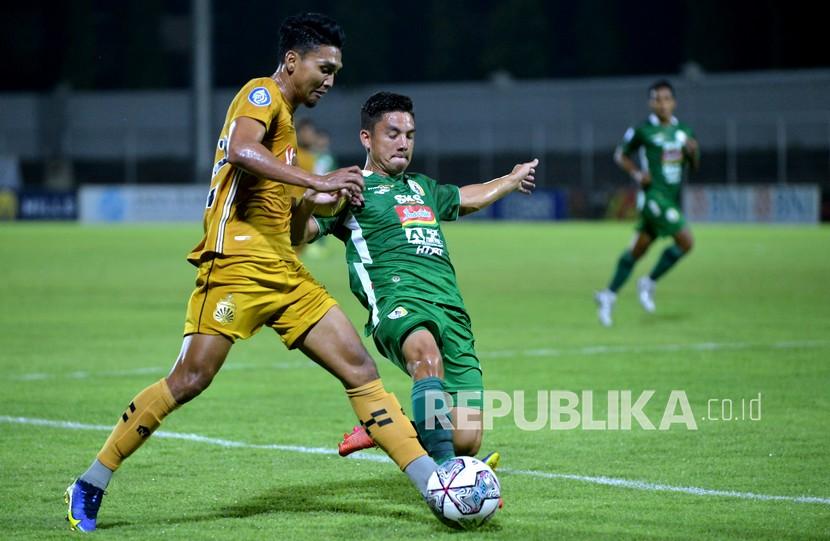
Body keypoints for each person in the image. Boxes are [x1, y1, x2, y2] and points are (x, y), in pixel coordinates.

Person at [64, 14, 440, 533]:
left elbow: (289, 232)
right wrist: (316, 176)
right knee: (191, 378)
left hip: (284, 270)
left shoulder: (288, 136)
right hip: (235, 265)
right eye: (323, 68)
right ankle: (91, 481)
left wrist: (312, 200)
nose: (330, 80)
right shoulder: (262, 94)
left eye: (336, 70)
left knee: (361, 371)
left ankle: (435, 486)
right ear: (293, 61)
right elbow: (241, 152)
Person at [292, 91, 537, 467]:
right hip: (399, 303)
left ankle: (389, 427)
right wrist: (308, 200)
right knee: (426, 356)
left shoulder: (423, 187)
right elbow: (300, 234)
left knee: (466, 438)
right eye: (392, 134)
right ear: (366, 138)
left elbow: (465, 198)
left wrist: (508, 179)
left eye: (409, 134)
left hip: (451, 310)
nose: (403, 143)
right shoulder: (351, 189)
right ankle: (444, 481)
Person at [595, 80, 699, 327]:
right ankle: (649, 282)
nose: (662, 104)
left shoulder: (684, 132)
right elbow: (620, 154)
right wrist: (637, 174)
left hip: (670, 198)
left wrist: (692, 152)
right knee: (686, 241)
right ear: (650, 103)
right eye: (657, 99)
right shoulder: (643, 131)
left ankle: (608, 295)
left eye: (666, 99)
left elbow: (694, 166)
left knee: (638, 250)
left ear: (673, 102)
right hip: (652, 197)